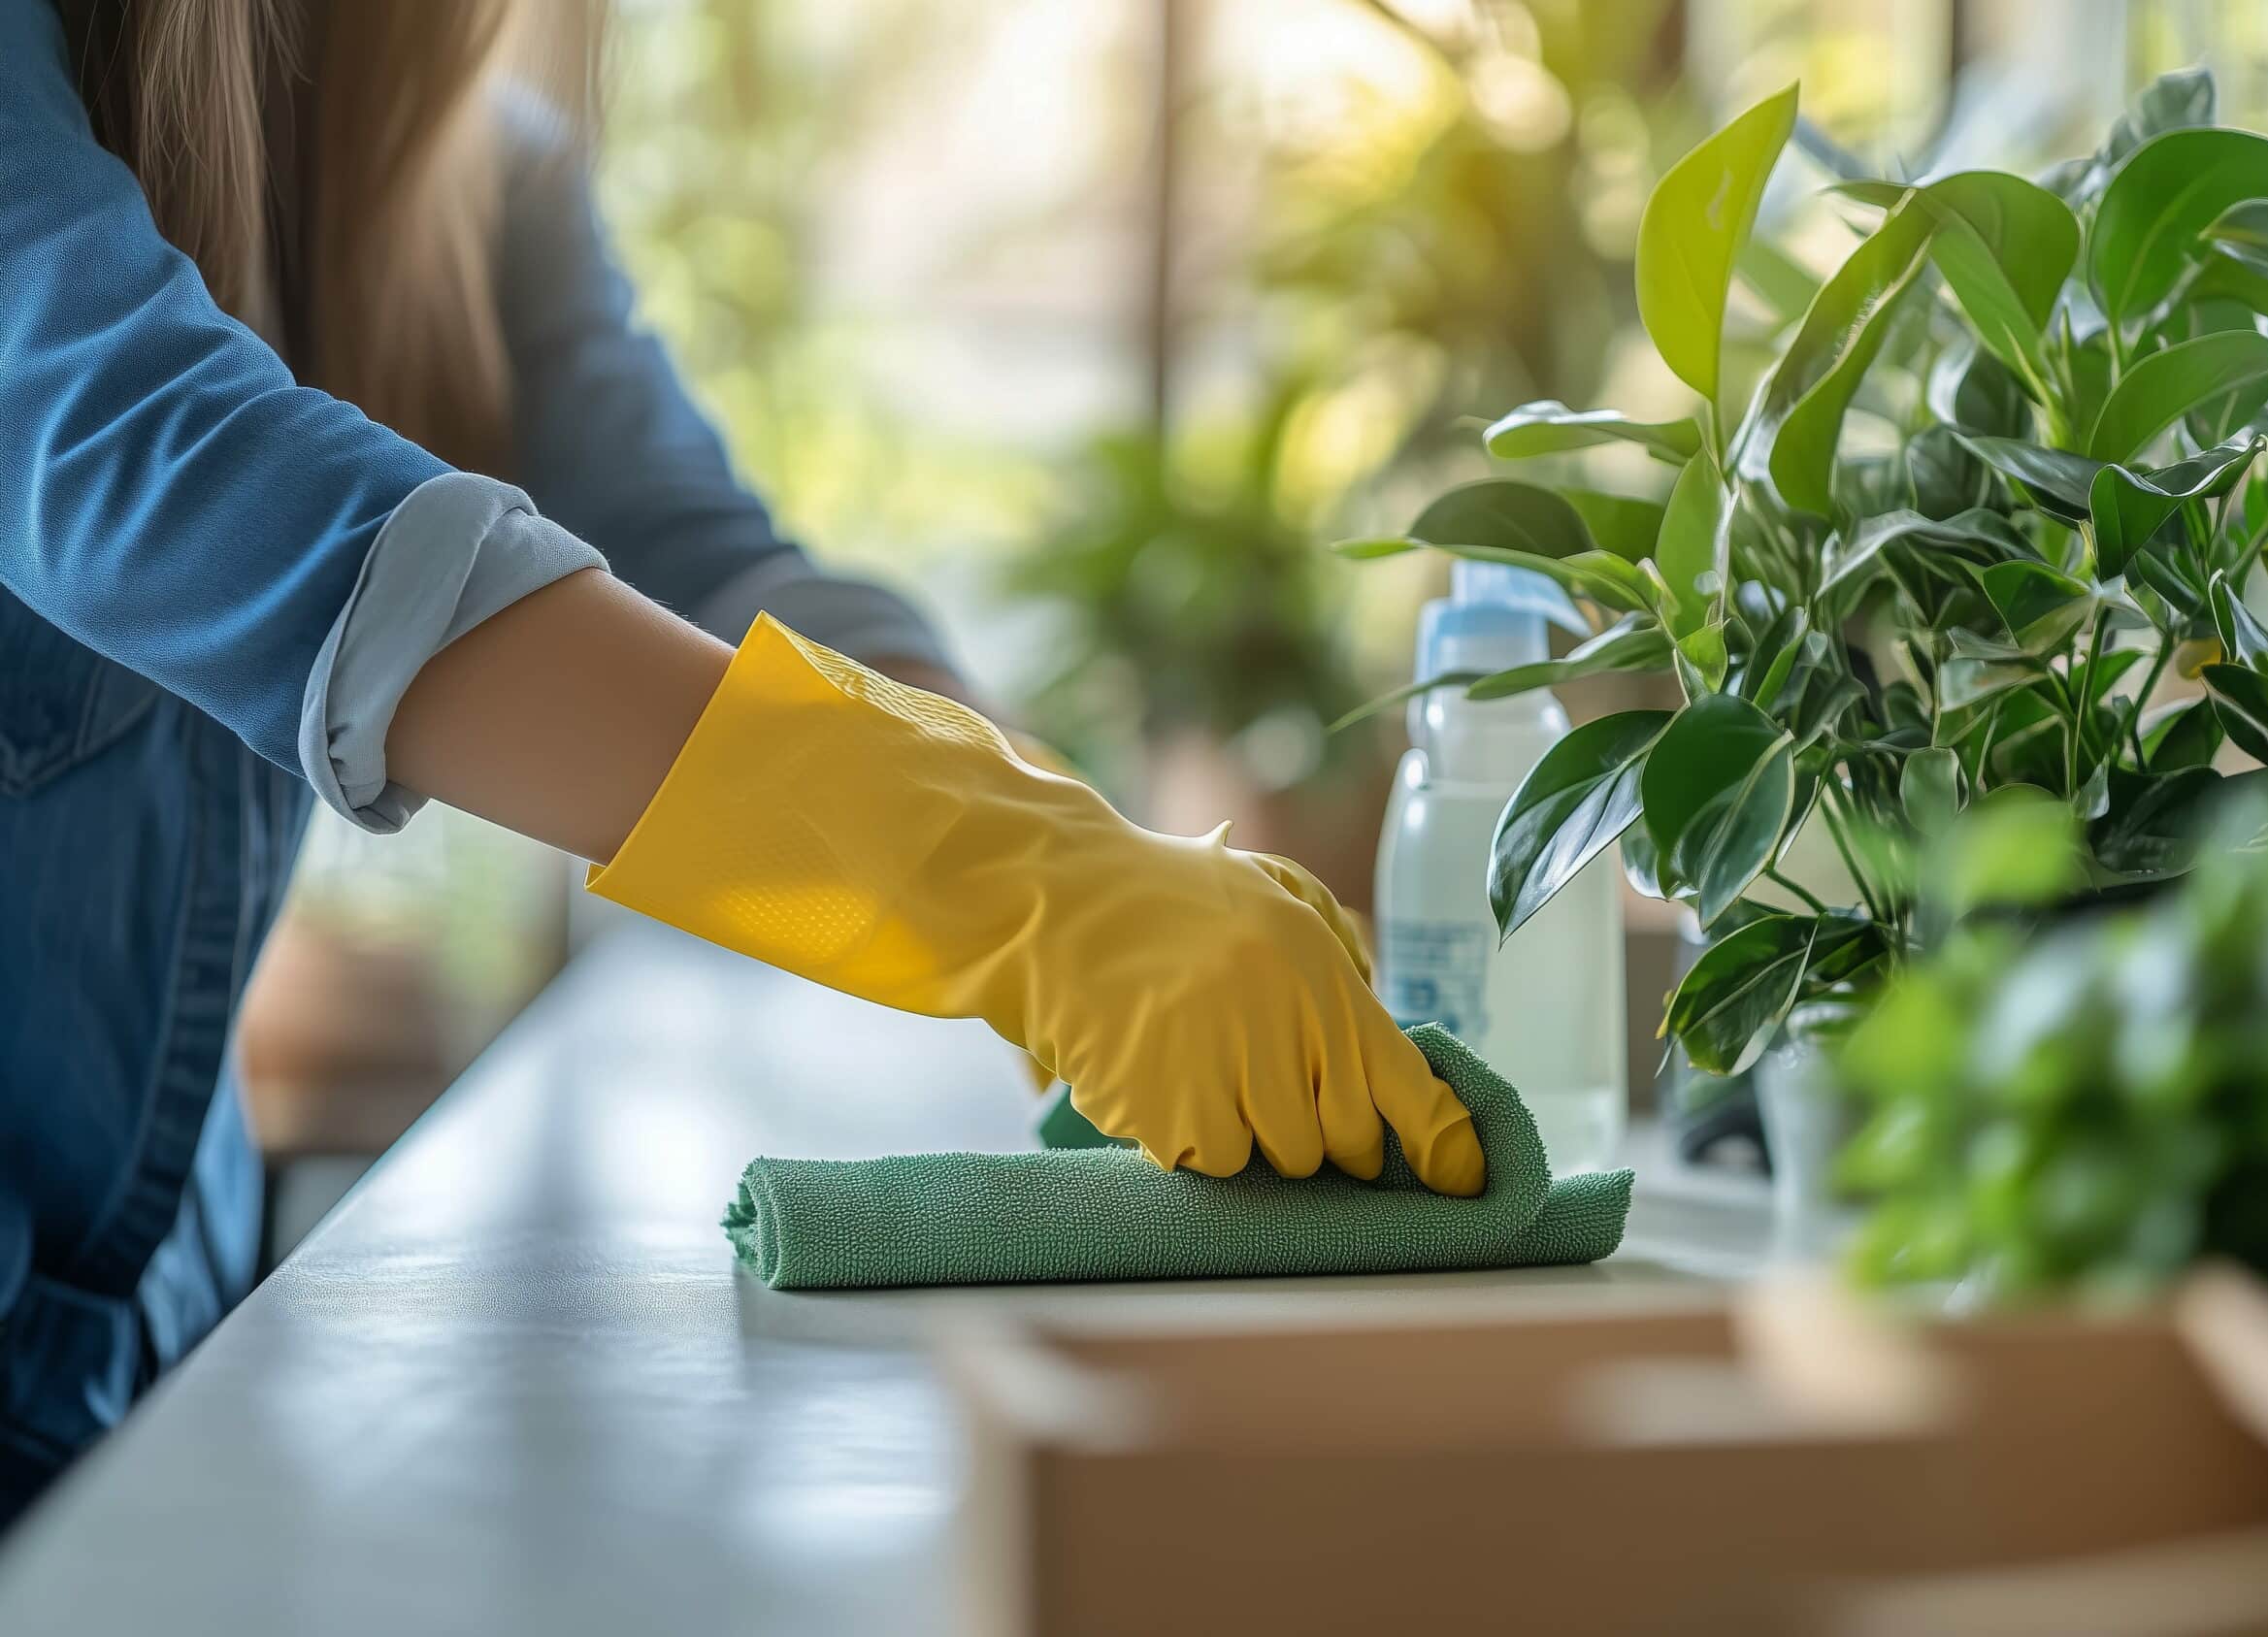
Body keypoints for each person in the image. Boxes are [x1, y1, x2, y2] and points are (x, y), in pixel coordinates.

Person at [0, 0, 1484, 1526]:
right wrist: (1003, 888)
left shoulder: (458, 169)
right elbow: (132, 443)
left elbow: (712, 561)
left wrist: (1071, 847)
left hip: (160, 1339)